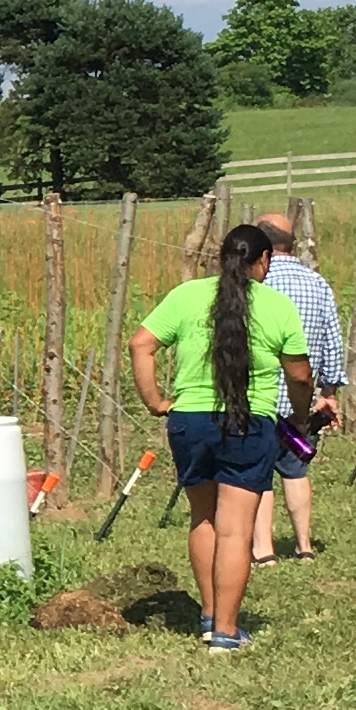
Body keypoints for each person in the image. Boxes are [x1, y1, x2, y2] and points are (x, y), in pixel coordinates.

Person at [129, 219, 315, 653]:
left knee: (204, 519)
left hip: (190, 421)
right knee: (235, 531)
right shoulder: (276, 306)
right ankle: (227, 633)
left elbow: (141, 344)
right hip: (248, 423)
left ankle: (209, 615)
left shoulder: (187, 295)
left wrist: (155, 401)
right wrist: (300, 419)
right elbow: (300, 375)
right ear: (264, 259)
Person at [258, 214, 348, 562]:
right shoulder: (317, 283)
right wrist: (328, 392)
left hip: (261, 397)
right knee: (296, 470)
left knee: (260, 474)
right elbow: (331, 341)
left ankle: (263, 550)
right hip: (302, 400)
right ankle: (304, 545)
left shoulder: (257, 284)